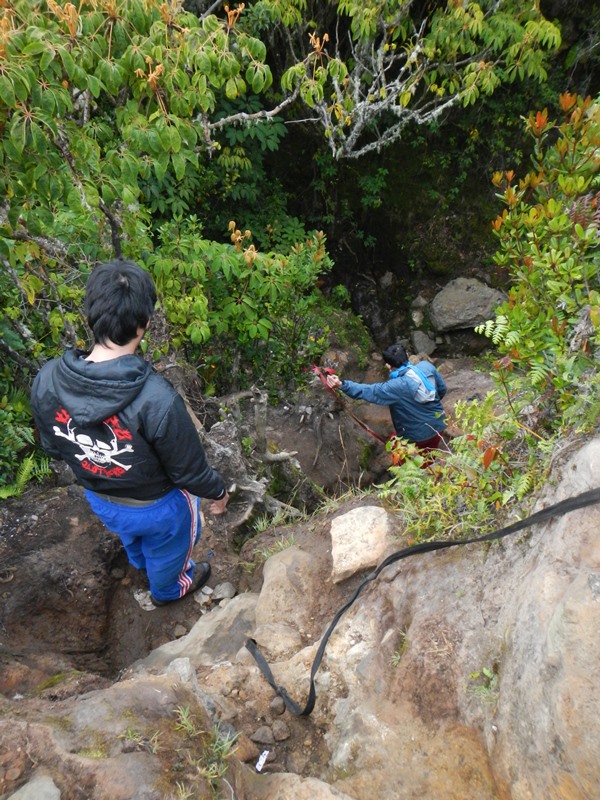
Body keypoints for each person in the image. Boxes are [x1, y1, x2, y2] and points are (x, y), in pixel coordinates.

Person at [30, 259, 229, 607]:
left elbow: (54, 446)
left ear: (91, 314)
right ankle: (169, 588)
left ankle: (138, 563)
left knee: (131, 534)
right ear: (145, 323)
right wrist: (219, 491)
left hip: (100, 497)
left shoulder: (47, 379)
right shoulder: (157, 400)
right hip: (159, 506)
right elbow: (188, 472)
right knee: (172, 544)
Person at [326, 343, 448, 451]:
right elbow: (442, 390)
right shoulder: (426, 367)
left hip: (417, 436)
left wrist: (342, 384)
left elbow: (368, 391)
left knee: (404, 453)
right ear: (406, 354)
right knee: (430, 451)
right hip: (439, 424)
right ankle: (432, 466)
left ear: (388, 366)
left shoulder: (395, 386)